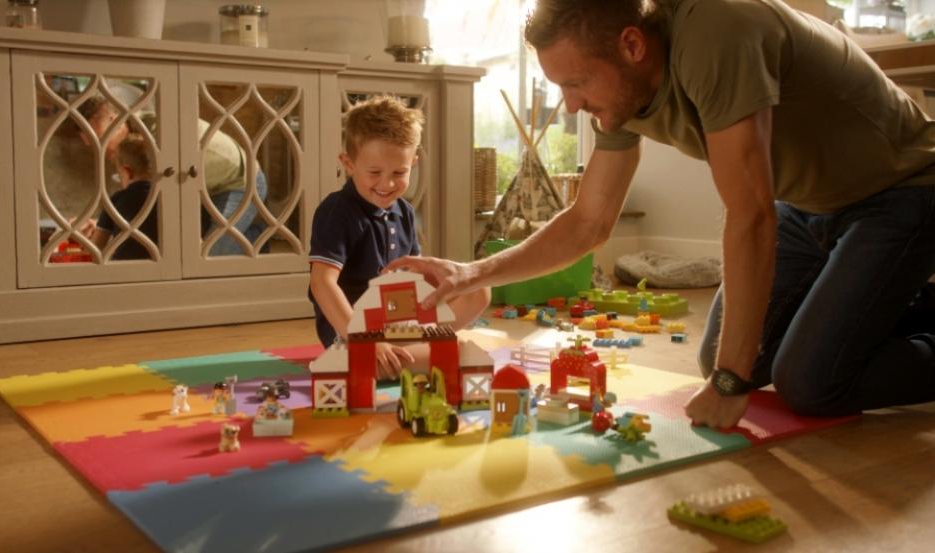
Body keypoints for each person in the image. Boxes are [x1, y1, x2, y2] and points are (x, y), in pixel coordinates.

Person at [387, 0, 935, 428]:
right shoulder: (622, 93)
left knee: (810, 384)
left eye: (576, 84)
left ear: (631, 45)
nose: (570, 105)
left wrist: (730, 382)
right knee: (727, 358)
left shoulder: (716, 34)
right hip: (807, 207)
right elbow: (589, 221)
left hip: (901, 190)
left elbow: (750, 216)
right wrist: (472, 272)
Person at [308, 96, 490, 379]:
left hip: (396, 318)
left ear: (413, 163)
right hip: (350, 331)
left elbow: (413, 277)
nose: (387, 183)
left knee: (478, 288)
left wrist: (443, 289)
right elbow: (322, 282)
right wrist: (363, 340)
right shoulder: (337, 211)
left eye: (399, 172)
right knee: (458, 354)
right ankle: (379, 357)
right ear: (348, 163)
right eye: (374, 172)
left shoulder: (403, 210)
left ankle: (409, 350)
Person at [76, 96, 268, 256]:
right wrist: (104, 222)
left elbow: (159, 200)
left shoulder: (158, 137)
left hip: (239, 180)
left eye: (101, 140)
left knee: (211, 255)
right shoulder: (126, 143)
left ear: (115, 120)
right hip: (201, 184)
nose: (99, 151)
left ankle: (258, 237)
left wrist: (108, 225)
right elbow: (135, 199)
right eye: (92, 145)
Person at [84, 133, 159, 260]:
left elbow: (96, 248)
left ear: (127, 172)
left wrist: (83, 241)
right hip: (162, 267)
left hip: (124, 270)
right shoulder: (166, 198)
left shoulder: (117, 200)